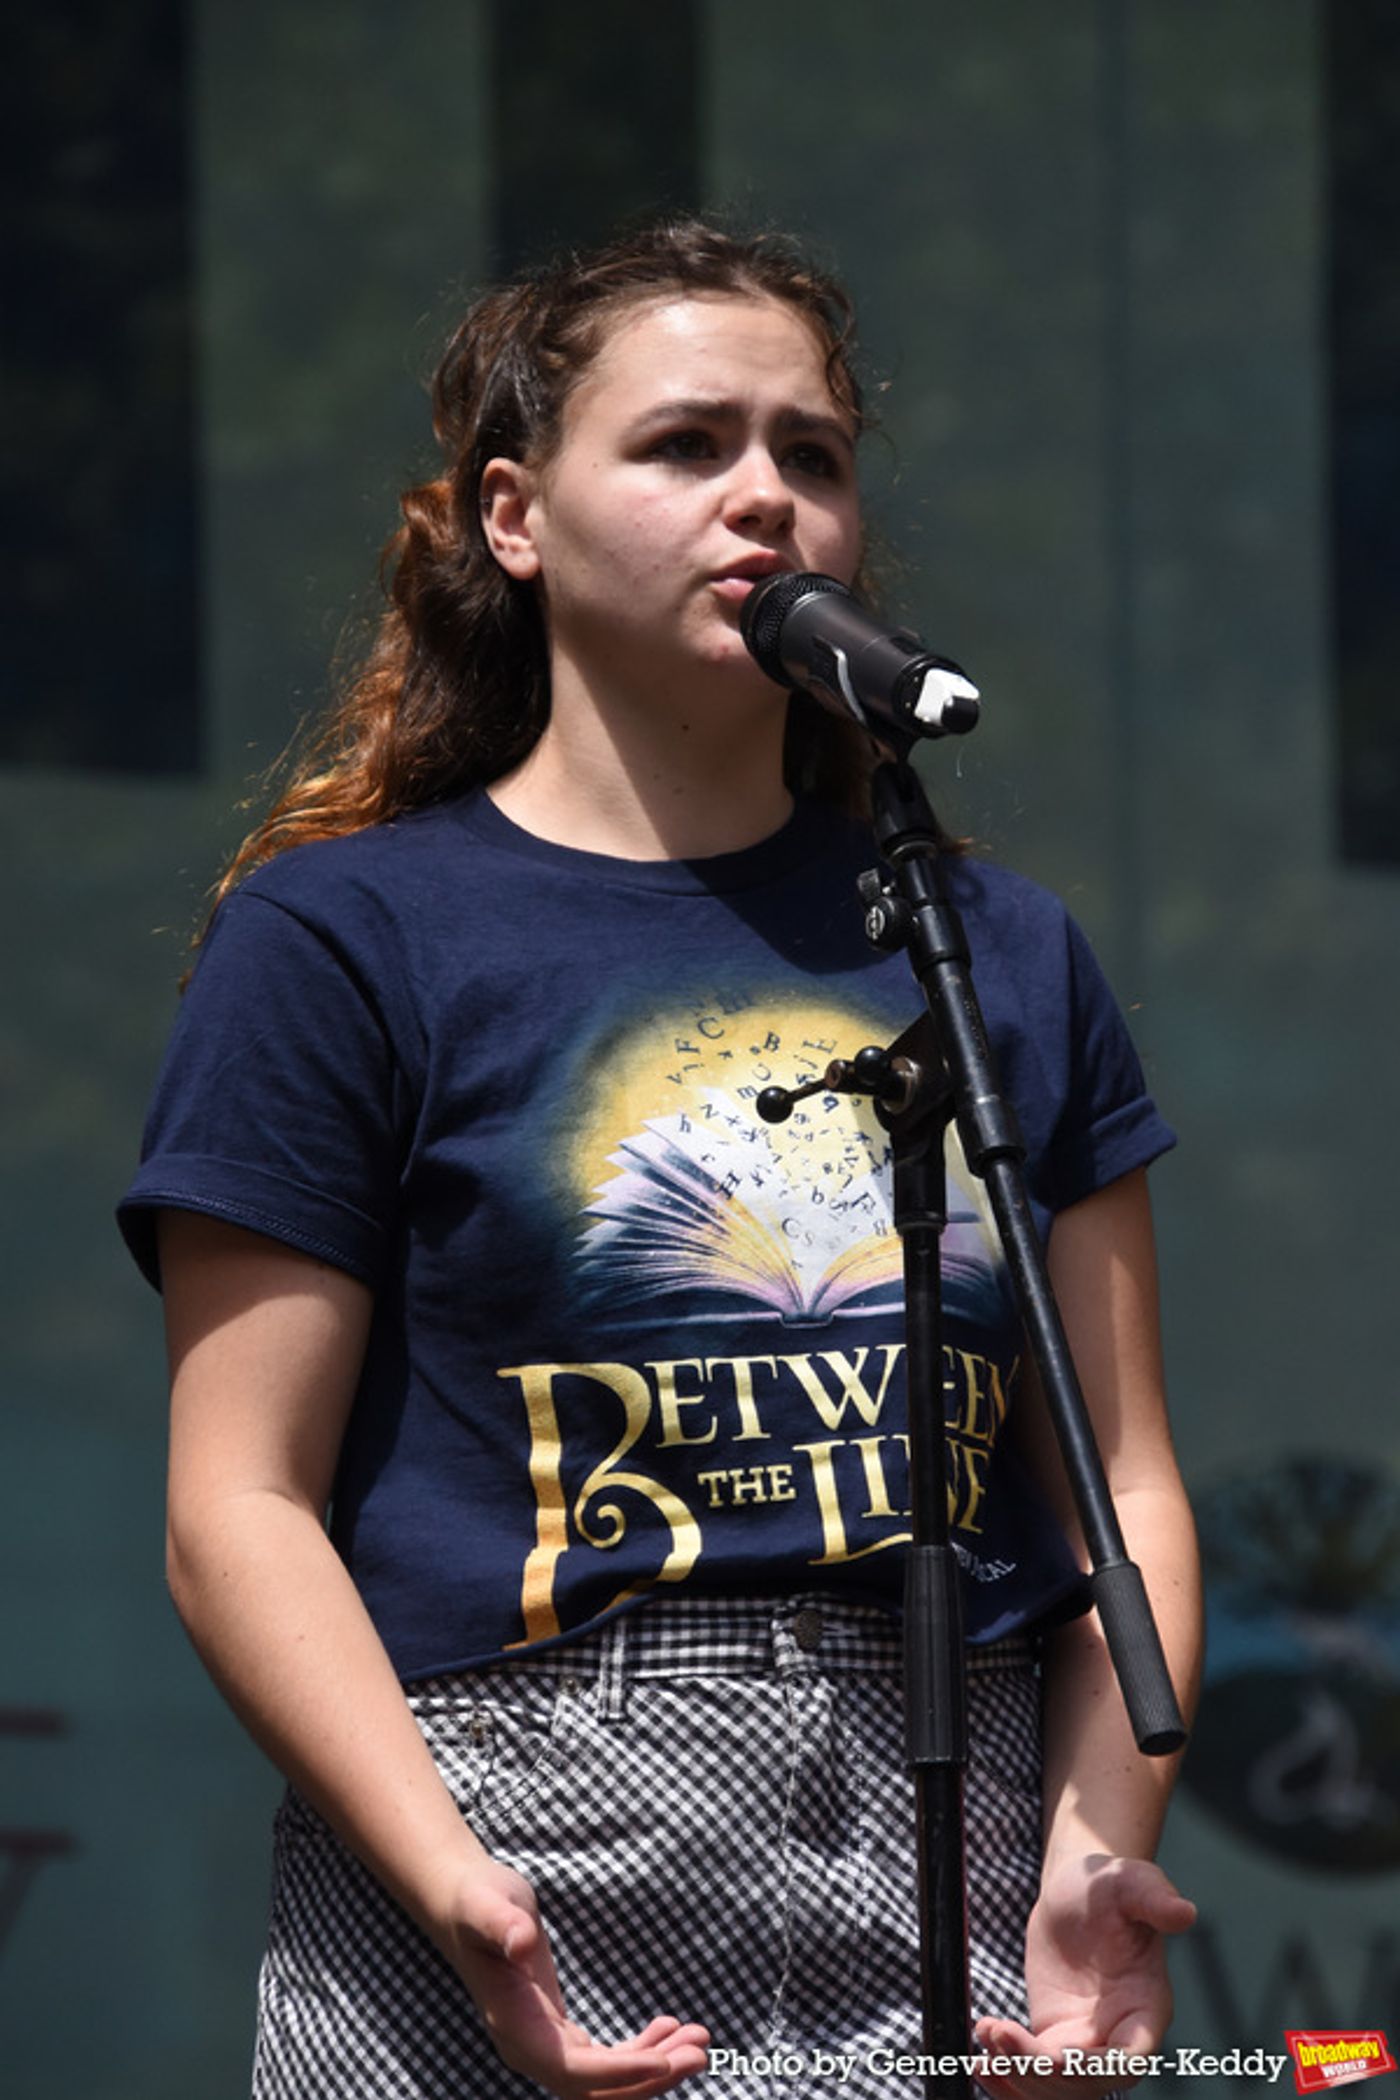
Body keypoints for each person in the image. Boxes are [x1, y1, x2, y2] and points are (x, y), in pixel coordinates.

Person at [119, 216, 1202, 2100]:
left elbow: (1127, 1489)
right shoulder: (349, 939)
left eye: (815, 454)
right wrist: (451, 1883)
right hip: (512, 1835)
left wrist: (1095, 1854)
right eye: (690, 445)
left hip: (947, 1833)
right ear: (516, 519)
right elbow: (237, 1509)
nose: (766, 499)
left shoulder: (994, 947)